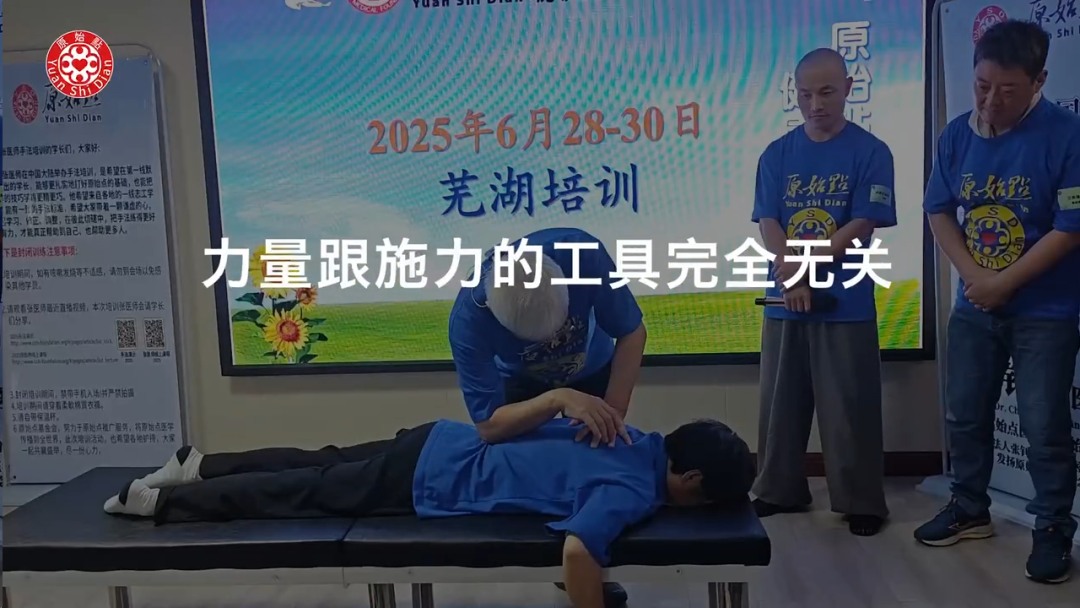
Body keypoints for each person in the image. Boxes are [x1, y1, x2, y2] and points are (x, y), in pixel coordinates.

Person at [103, 416, 756, 608]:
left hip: (438, 438)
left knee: (318, 462)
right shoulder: (633, 490)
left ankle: (197, 464)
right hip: (431, 479)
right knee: (300, 492)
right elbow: (580, 551)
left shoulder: (627, 432)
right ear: (691, 478)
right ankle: (159, 500)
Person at [915, 20, 1080, 584]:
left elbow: (1070, 227)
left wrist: (1005, 282)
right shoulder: (957, 135)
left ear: (1039, 81)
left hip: (1045, 312)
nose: (989, 102)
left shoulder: (1066, 134)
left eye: (1006, 90)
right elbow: (939, 210)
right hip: (976, 304)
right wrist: (973, 277)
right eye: (981, 86)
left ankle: (1052, 527)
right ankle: (969, 508)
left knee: (1044, 425)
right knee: (964, 412)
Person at [448, 227, 648, 606]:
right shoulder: (468, 321)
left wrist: (613, 411)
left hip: (595, 371)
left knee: (595, 468)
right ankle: (562, 567)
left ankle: (591, 563)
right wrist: (555, 398)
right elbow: (489, 426)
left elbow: (632, 332)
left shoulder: (583, 255)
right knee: (541, 482)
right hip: (521, 389)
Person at [749, 47, 896, 536]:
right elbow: (769, 222)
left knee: (849, 406)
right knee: (780, 404)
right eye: (806, 94)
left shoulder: (871, 152)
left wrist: (807, 269)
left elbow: (862, 223)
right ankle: (778, 490)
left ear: (849, 89)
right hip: (784, 298)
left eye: (827, 92)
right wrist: (791, 277)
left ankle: (861, 501)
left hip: (845, 300)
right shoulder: (776, 154)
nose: (815, 104)